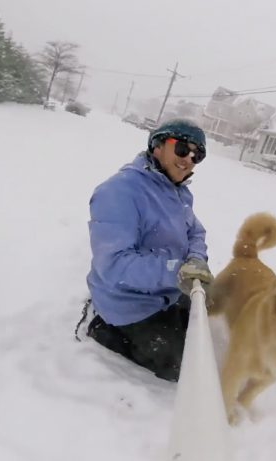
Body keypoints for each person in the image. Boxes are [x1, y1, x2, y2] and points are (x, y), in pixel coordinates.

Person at [77, 118, 214, 382]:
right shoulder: (120, 191)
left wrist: (196, 258)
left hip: (167, 290)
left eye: (198, 155)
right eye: (182, 149)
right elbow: (114, 264)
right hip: (129, 302)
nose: (189, 159)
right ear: (157, 146)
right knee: (181, 367)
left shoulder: (177, 191)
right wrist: (177, 271)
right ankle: (101, 327)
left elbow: (195, 231)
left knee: (204, 335)